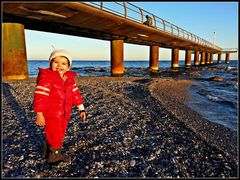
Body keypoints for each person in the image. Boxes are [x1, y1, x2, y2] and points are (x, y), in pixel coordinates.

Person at [33, 49, 86, 164]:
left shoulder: (69, 79)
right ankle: (55, 156)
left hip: (65, 112)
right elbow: (40, 96)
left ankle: (46, 152)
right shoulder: (47, 77)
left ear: (68, 67)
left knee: (57, 132)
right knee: (56, 134)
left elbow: (75, 94)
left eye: (63, 63)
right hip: (51, 113)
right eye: (55, 62)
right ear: (50, 63)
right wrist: (39, 113)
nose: (59, 66)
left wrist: (81, 108)